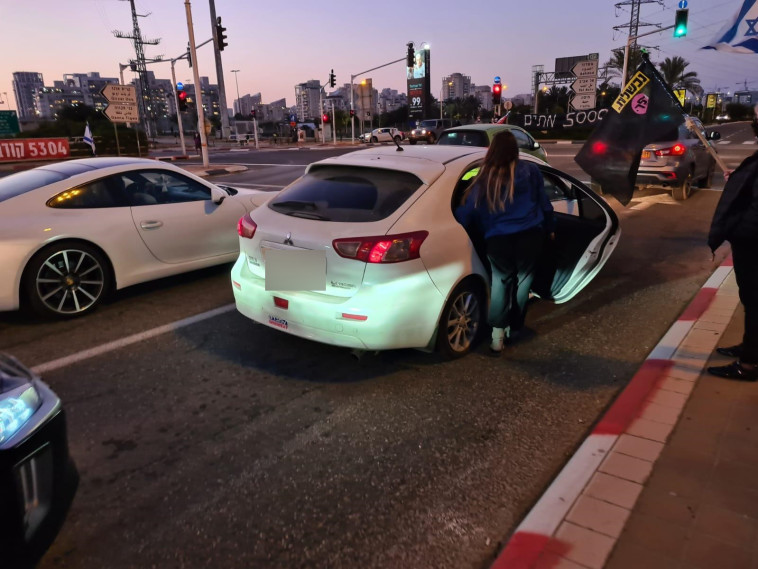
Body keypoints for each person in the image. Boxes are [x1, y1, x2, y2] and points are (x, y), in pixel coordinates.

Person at [454, 131, 555, 353]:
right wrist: (550, 228)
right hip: (530, 234)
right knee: (524, 281)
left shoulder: (485, 177)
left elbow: (468, 212)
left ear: (493, 149)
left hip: (498, 238)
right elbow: (544, 203)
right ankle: (515, 327)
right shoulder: (530, 171)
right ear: (515, 149)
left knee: (500, 282)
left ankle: (497, 336)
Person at [707, 109, 758, 381]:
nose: (754, 122)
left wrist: (735, 230)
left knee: (755, 301)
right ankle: (751, 348)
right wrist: (738, 181)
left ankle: (749, 364)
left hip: (752, 243)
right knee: (750, 300)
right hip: (749, 243)